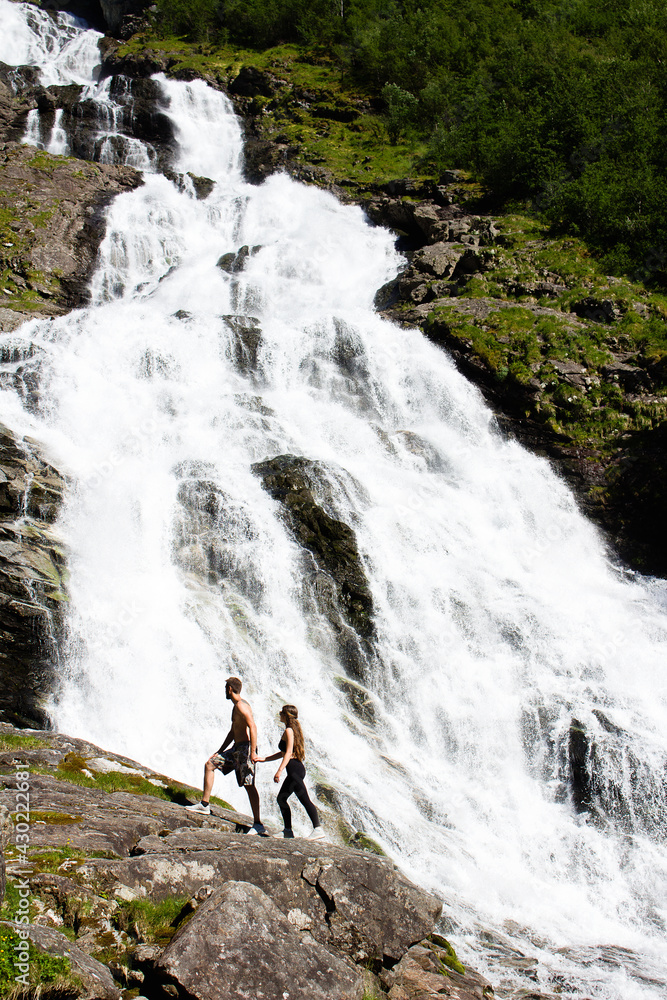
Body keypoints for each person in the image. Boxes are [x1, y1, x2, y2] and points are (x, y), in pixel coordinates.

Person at [185, 676, 265, 835]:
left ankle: (258, 824)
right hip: (235, 749)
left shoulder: (242, 706)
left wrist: (253, 752)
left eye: (225, 688)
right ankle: (205, 804)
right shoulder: (236, 707)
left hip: (244, 750)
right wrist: (220, 750)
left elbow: (253, 727)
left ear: (230, 689)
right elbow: (232, 731)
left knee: (249, 786)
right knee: (210, 764)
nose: (225, 692)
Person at [257, 704, 325, 839]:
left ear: (286, 715)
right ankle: (288, 831)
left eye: (281, 712)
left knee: (304, 800)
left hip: (294, 770)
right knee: (281, 798)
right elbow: (283, 753)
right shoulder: (293, 730)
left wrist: (279, 771)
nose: (279, 714)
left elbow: (288, 753)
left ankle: (318, 829)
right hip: (296, 769)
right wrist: (263, 759)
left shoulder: (289, 730)